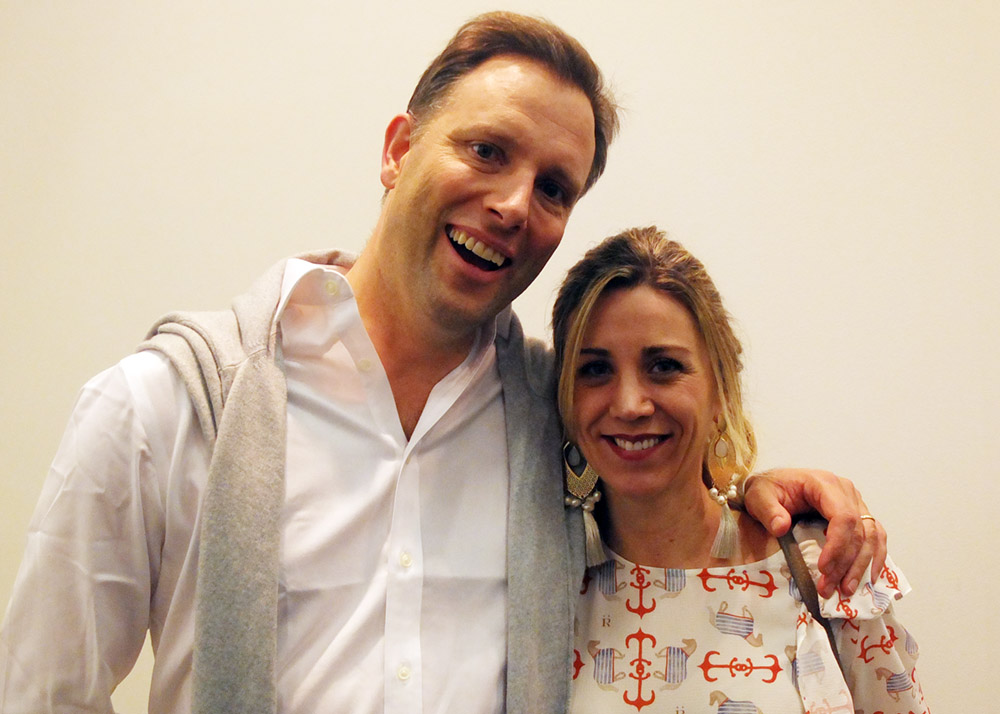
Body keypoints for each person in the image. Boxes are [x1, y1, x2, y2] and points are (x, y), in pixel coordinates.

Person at [0, 12, 885, 714]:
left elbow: (659, 486)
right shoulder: (161, 408)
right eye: (487, 150)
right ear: (397, 149)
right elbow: (41, 694)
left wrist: (771, 495)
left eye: (553, 188)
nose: (513, 204)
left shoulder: (553, 418)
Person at [552, 226, 926, 712]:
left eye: (663, 366)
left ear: (721, 390)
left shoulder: (830, 566)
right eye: (595, 369)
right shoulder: (538, 582)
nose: (629, 404)